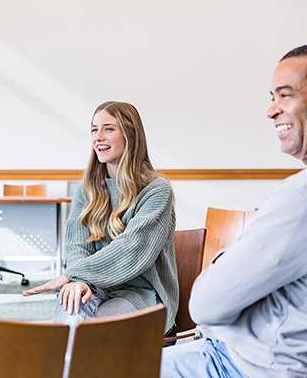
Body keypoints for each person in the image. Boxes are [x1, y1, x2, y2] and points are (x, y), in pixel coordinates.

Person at [161, 45, 307, 377]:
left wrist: (226, 259)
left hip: (239, 364)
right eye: (272, 97)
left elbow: (205, 305)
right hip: (243, 353)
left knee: (96, 367)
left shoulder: (299, 198)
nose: (272, 110)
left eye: (285, 96)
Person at [23, 101, 178, 332]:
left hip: (141, 294)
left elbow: (131, 250)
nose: (98, 137)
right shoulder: (86, 189)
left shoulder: (157, 190)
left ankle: (80, 367)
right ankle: (62, 368)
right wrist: (79, 282)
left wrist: (74, 275)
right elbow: (76, 244)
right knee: (70, 306)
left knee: (98, 329)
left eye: (108, 129)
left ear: (130, 135)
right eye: (94, 129)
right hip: (95, 286)